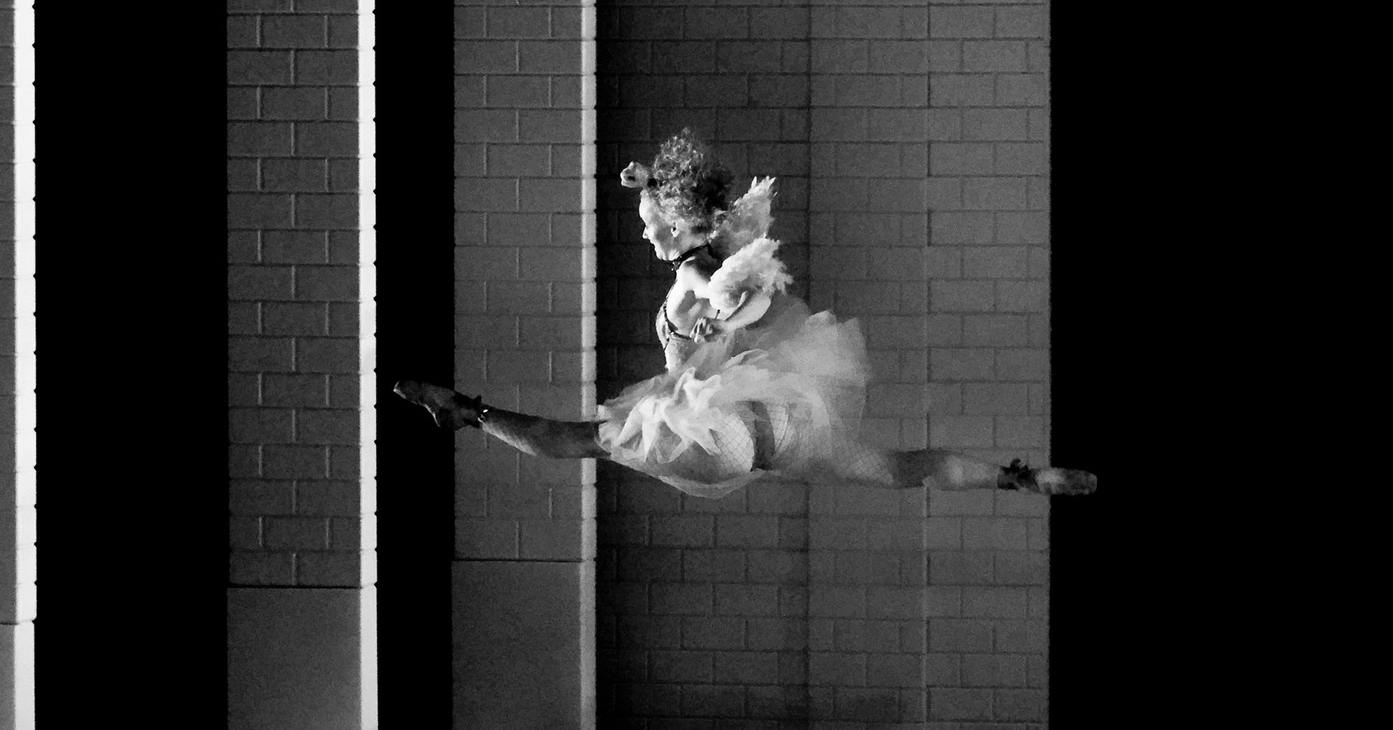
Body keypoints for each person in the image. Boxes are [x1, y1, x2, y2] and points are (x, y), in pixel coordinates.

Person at [396, 130, 1096, 498]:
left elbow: (750, 297)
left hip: (721, 426)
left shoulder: (696, 271)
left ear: (675, 226)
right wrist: (650, 182)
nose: (643, 231)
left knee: (576, 439)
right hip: (785, 425)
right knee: (895, 468)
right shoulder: (717, 243)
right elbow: (716, 233)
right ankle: (1020, 478)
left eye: (648, 222)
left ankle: (465, 411)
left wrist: (727, 319)